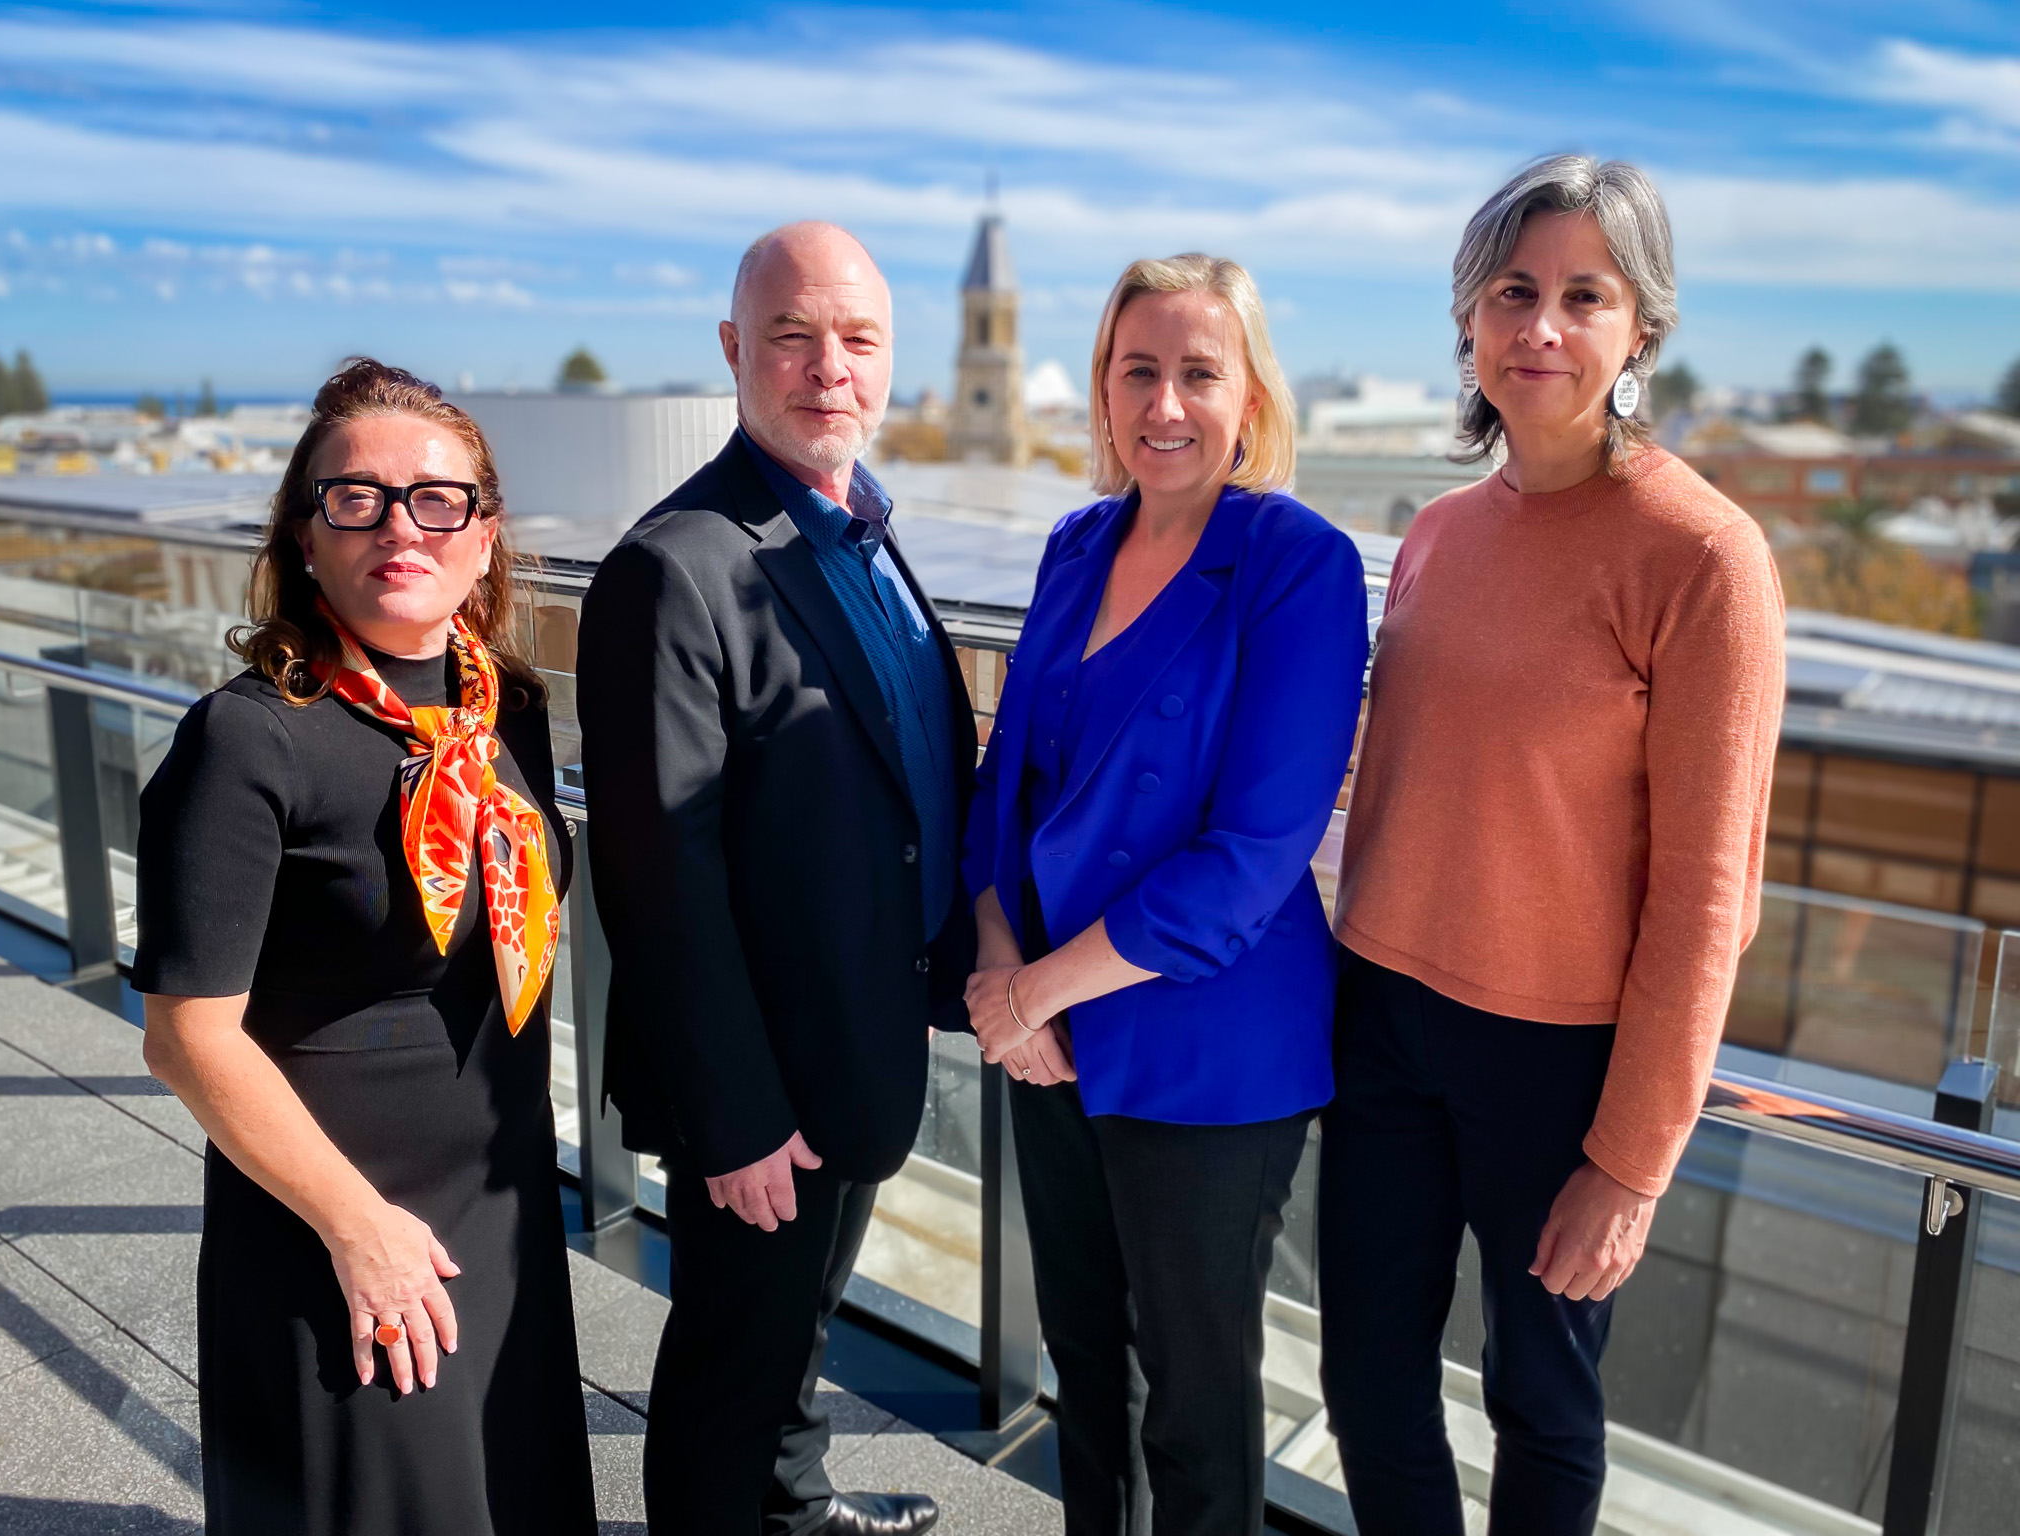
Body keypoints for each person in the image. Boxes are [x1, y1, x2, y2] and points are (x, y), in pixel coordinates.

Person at [1320, 155, 1786, 1536]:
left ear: (1642, 330)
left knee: (1540, 1400)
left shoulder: (1705, 556)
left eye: (1586, 295)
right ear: (1467, 319)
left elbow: (1710, 900)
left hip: (1559, 1061)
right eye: (1512, 291)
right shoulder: (1439, 534)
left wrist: (1634, 1164)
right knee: (1369, 1377)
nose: (1541, 327)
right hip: (1383, 1016)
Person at [135, 359, 595, 1535]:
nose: (401, 525)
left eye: (439, 499)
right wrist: (357, 1228)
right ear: (304, 533)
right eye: (357, 497)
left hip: (494, 1207)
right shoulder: (248, 743)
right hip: (332, 1225)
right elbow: (188, 1038)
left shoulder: (508, 716)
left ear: (486, 538)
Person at [576, 223, 975, 1536]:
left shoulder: (859, 531)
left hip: (858, 1041)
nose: (827, 370)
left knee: (796, 1337)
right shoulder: (672, 566)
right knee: (729, 1370)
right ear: (735, 350)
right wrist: (736, 1114)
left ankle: (793, 1515)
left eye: (857, 340)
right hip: (763, 1084)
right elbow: (657, 874)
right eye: (793, 337)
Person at [962, 254, 1369, 1536]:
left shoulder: (1296, 563)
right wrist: (997, 967)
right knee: (1084, 1368)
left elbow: (1246, 863)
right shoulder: (1076, 544)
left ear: (1249, 395)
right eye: (1137, 370)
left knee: (1192, 1407)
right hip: (1047, 1039)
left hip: (1207, 1048)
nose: (1166, 403)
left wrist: (1028, 991)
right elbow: (1008, 784)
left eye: (1200, 371)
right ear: (1100, 389)